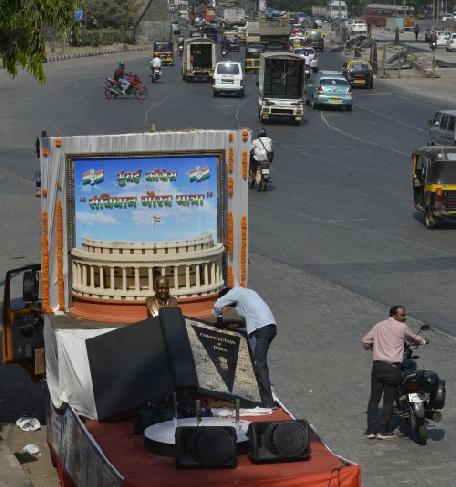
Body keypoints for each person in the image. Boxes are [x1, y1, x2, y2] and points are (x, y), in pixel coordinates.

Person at [362, 306, 429, 440]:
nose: (405, 317)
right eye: (402, 315)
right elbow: (414, 338)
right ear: (393, 315)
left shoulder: (378, 326)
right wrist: (424, 341)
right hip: (393, 369)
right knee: (388, 400)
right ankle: (382, 431)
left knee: (374, 399)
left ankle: (370, 430)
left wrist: (374, 347)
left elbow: (365, 341)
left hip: (377, 367)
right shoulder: (401, 327)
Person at [213, 287, 277, 408]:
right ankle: (263, 396)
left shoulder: (234, 293)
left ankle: (268, 402)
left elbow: (217, 305)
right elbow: (249, 322)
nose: (228, 308)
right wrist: (233, 328)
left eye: (228, 305)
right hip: (270, 327)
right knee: (258, 361)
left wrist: (219, 320)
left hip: (263, 329)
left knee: (259, 363)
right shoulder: (246, 293)